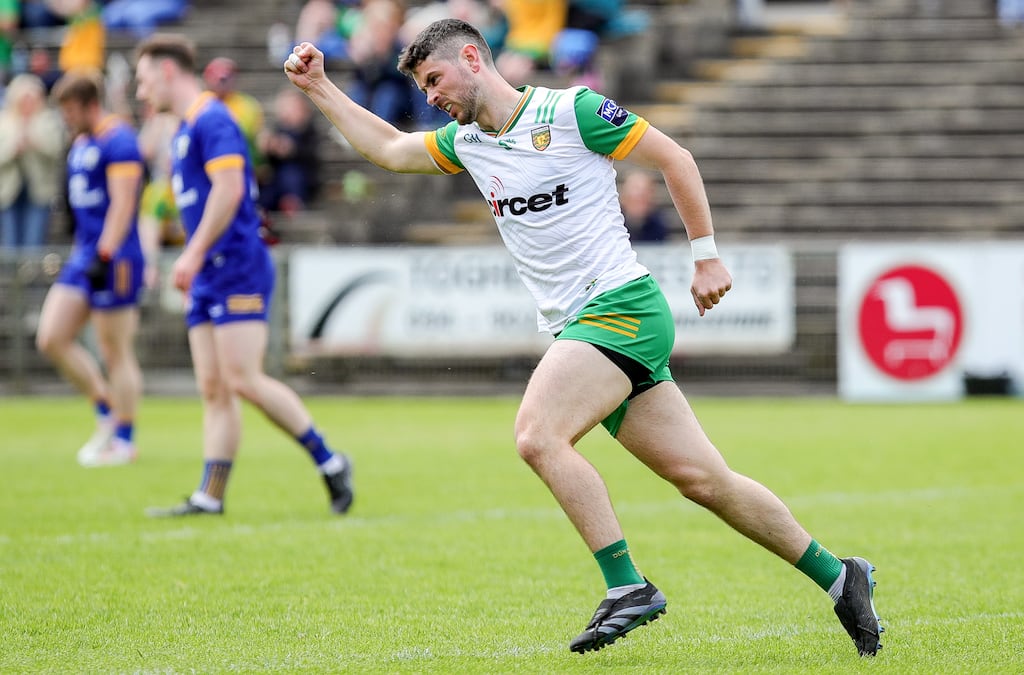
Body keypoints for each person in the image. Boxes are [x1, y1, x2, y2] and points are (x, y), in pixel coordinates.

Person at [283, 19, 884, 656]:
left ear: (472, 58)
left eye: (435, 79)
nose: (431, 96)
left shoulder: (570, 111)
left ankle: (627, 586)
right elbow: (390, 149)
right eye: (424, 88)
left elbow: (674, 158)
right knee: (704, 480)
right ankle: (840, 576)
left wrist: (705, 256)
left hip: (620, 305)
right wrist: (319, 86)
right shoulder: (468, 143)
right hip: (590, 325)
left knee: (537, 435)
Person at [133, 33, 354, 517]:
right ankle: (210, 495)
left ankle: (330, 461)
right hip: (210, 270)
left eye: (144, 79)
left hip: (235, 265)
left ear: (168, 72)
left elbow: (230, 189)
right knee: (215, 388)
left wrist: (189, 255)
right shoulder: (185, 128)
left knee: (244, 379)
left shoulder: (213, 118)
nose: (139, 90)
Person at [36, 69, 144, 467]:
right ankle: (105, 409)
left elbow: (123, 203)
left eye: (69, 110)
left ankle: (125, 439)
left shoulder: (119, 141)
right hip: (83, 254)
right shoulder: (81, 142)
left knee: (114, 349)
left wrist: (105, 253)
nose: (66, 119)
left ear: (88, 105)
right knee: (51, 337)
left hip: (113, 258)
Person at [0, 73, 64, 249]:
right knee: (11, 243)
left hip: (38, 192)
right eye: (24, 98)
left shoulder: (48, 120)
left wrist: (34, 142)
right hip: (9, 192)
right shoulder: (4, 121)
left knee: (33, 242)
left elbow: (57, 149)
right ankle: (12, 277)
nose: (27, 103)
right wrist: (13, 148)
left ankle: (31, 277)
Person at [258, 86, 322, 214]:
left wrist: (292, 150)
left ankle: (292, 203)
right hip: (277, 180)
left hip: (302, 179)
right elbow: (272, 162)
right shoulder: (279, 129)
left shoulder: (308, 130)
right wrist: (269, 148)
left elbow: (311, 157)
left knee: (291, 173)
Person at [619, 169, 669, 243]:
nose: (639, 194)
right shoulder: (615, 223)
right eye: (635, 188)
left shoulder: (658, 225)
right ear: (624, 196)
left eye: (644, 194)